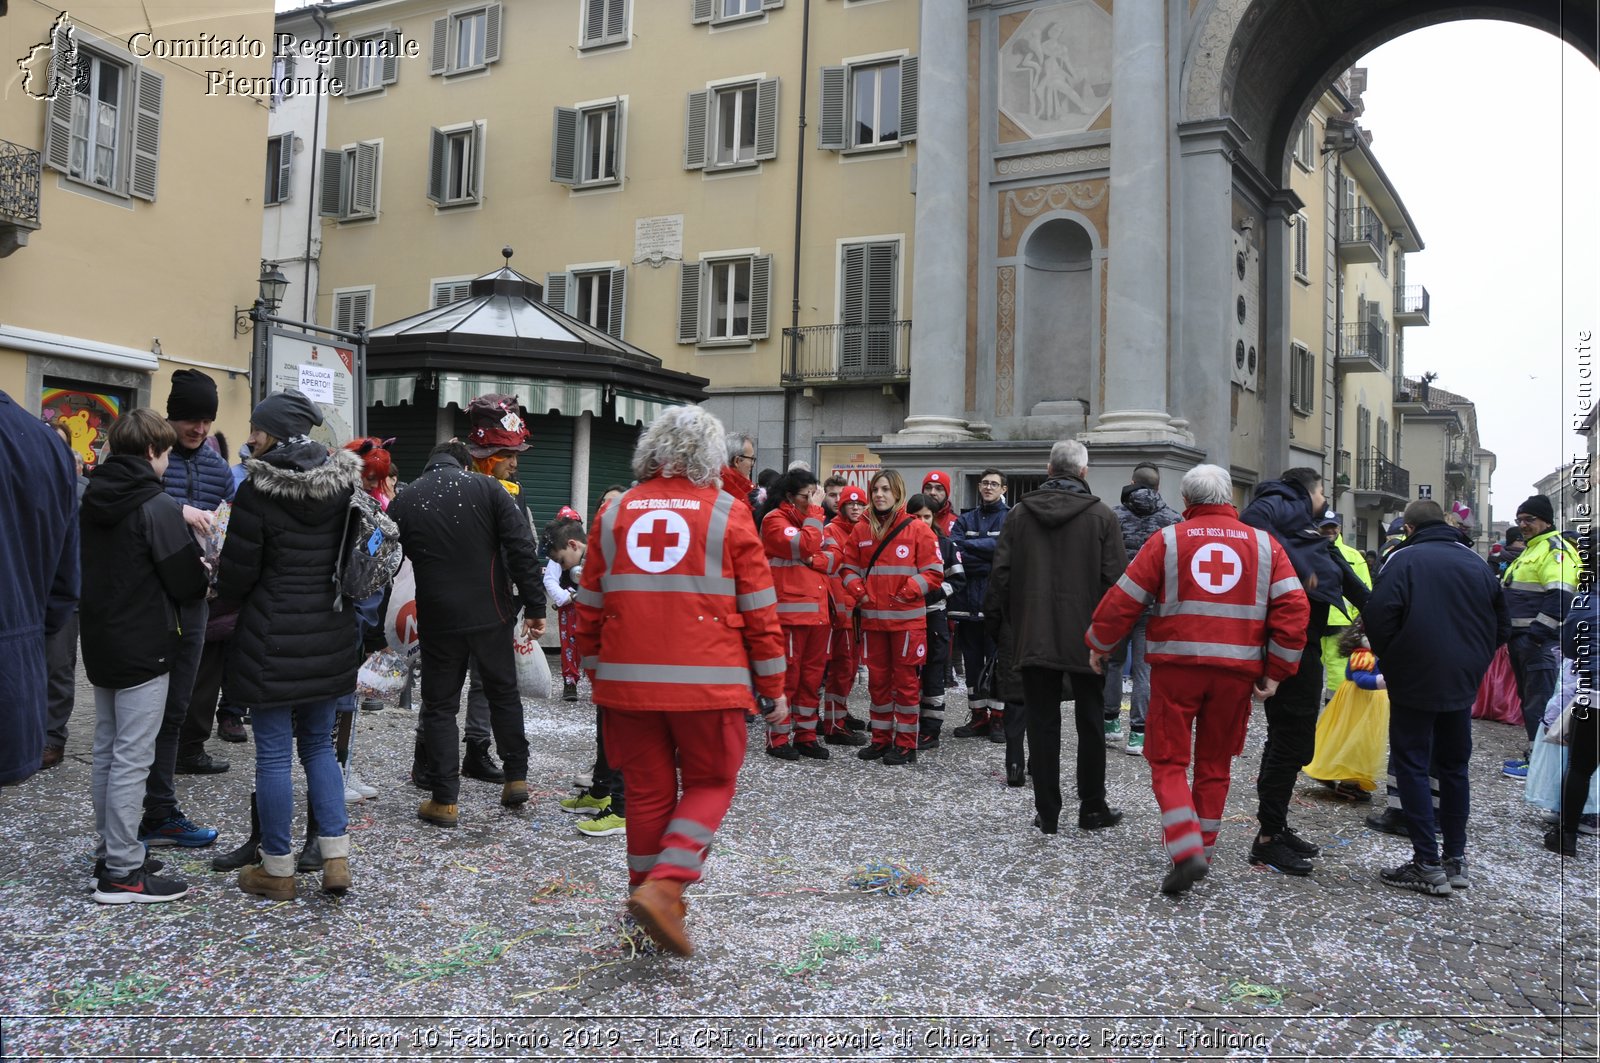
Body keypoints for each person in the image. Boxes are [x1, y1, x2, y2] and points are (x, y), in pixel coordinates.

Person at [574, 405, 787, 956]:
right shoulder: (728, 513)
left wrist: (597, 671)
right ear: (713, 456)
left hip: (627, 684)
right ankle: (666, 889)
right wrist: (773, 685)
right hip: (708, 682)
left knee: (646, 794)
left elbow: (589, 604)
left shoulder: (615, 513)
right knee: (712, 783)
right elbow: (760, 610)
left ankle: (642, 901)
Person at [1086, 464, 1309, 895]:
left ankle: (1184, 844)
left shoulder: (1168, 539)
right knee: (1214, 765)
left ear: (1186, 502)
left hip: (1176, 670)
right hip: (1236, 675)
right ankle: (1202, 851)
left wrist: (1100, 641)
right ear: (1230, 499)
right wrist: (1277, 670)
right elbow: (1294, 609)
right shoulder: (1265, 546)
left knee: (1168, 761)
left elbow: (1126, 596)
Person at [213, 390, 362, 900]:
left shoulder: (259, 490)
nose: (250, 437)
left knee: (275, 754)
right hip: (331, 633)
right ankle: (335, 858)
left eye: (256, 428)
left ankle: (277, 870)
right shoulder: (343, 485)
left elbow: (237, 573)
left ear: (275, 432)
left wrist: (214, 596)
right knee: (320, 746)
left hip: (271, 637)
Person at [80, 408, 210, 903]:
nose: (168, 461)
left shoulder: (94, 498)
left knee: (106, 752)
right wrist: (202, 566)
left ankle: (111, 850)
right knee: (132, 757)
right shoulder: (154, 506)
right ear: (154, 451)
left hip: (101, 640)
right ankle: (123, 873)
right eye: (168, 453)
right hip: (145, 645)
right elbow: (186, 583)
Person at [389, 438, 547, 830]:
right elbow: (521, 547)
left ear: (431, 465)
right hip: (491, 610)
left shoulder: (408, 499)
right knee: (503, 693)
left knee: (440, 705)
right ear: (464, 463)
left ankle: (444, 800)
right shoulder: (488, 489)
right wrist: (536, 605)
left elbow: (386, 561)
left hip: (438, 616)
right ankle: (516, 777)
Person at [1362, 499, 1509, 895]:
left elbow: (1379, 616)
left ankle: (1426, 860)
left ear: (1408, 528)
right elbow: (1501, 623)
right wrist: (1474, 661)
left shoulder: (1402, 559)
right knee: (1454, 766)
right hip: (1461, 677)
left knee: (1411, 763)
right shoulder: (1476, 562)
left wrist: (1394, 659)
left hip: (1414, 675)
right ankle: (1455, 859)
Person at [985, 440, 1126, 835]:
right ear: (1083, 473)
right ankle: (1092, 806)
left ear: (1049, 470)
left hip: (1033, 635)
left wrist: (1002, 628)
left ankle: (1047, 813)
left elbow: (1001, 577)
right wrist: (1110, 639)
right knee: (1091, 723)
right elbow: (1116, 584)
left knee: (1042, 723)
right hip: (1088, 640)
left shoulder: (1018, 516)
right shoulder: (1102, 517)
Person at [1240, 467, 1367, 876]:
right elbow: (1253, 530)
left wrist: (1380, 613)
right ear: (1311, 490)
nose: (1325, 498)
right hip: (1287, 644)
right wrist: (1295, 569)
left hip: (1303, 642)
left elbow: (1350, 583)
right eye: (1323, 490)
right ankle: (1267, 840)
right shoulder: (1278, 504)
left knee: (1290, 739)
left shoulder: (1303, 525)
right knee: (1291, 739)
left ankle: (1272, 827)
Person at [838, 469, 944, 765]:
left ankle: (906, 745)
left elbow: (934, 571)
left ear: (897, 493)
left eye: (885, 489)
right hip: (874, 622)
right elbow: (847, 568)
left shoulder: (917, 529)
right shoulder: (861, 529)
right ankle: (881, 740)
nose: (879, 495)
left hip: (906, 622)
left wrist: (909, 590)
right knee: (879, 684)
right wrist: (859, 591)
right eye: (875, 490)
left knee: (907, 685)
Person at [1104, 462, 1182, 755]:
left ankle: (1110, 722)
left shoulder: (1113, 516)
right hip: (1153, 604)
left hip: (1120, 600)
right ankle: (1138, 734)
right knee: (1144, 669)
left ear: (1132, 482)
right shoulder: (1173, 519)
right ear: (1158, 486)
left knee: (1112, 663)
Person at [758, 468, 834, 762]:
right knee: (788, 679)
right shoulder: (774, 520)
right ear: (790, 496)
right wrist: (814, 521)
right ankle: (777, 738)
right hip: (789, 615)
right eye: (807, 495)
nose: (812, 500)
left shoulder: (813, 521)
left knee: (812, 680)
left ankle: (805, 736)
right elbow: (806, 544)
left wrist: (812, 552)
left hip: (817, 613)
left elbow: (834, 556)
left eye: (815, 494)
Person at [1501, 494, 1579, 776]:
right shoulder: (1532, 548)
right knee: (1530, 700)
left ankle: (1540, 765)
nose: (1523, 524)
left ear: (1546, 520)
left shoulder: (1554, 550)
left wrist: (1536, 635)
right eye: (1519, 519)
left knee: (1540, 702)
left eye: (1529, 519)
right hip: (1525, 640)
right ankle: (1534, 757)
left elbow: (1561, 596)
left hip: (1539, 642)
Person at [948, 468, 1010, 737]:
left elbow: (1007, 554)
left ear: (1004, 489)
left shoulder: (1010, 518)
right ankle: (978, 716)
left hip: (997, 606)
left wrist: (973, 549)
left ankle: (998, 717)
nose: (988, 487)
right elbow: (954, 550)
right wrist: (989, 557)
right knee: (972, 664)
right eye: (984, 483)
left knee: (997, 665)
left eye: (994, 484)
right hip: (966, 605)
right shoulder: (965, 518)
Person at [41, 421, 88, 770]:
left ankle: (52, 737)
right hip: (30, 588)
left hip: (66, 590)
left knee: (58, 664)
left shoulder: (83, 490)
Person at [906, 493, 964, 749]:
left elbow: (959, 580)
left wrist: (937, 592)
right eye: (915, 517)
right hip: (905, 617)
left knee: (933, 673)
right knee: (905, 672)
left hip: (933, 618)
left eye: (926, 517)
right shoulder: (899, 544)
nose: (921, 521)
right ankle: (906, 722)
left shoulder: (946, 545)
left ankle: (930, 730)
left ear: (934, 518)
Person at [1547, 588, 1600, 856]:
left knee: (1580, 767)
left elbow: (1569, 647)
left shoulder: (1586, 603)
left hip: (1595, 696)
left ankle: (1566, 837)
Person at [819, 485, 870, 745]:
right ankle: (834, 724)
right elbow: (835, 572)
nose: (855, 508)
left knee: (849, 669)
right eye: (850, 504)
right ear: (841, 507)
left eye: (860, 504)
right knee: (841, 669)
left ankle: (839, 713)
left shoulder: (864, 530)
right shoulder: (831, 531)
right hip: (844, 611)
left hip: (858, 609)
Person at [1317, 512, 1372, 708]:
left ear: (1340, 528)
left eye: (1334, 526)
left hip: (1341, 623)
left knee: (1338, 673)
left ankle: (1336, 710)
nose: (1330, 531)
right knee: (1311, 672)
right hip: (1314, 621)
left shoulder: (1353, 556)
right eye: (1325, 527)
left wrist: (1359, 625)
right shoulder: (1310, 551)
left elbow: (1365, 590)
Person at [542, 510, 587, 702]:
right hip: (569, 605)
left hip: (588, 605)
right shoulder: (562, 556)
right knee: (569, 643)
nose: (564, 565)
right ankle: (570, 681)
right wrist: (565, 597)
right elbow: (550, 579)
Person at [921, 471, 958, 537]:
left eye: (939, 489)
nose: (932, 492)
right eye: (928, 488)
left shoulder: (956, 522)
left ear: (947, 494)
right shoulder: (911, 517)